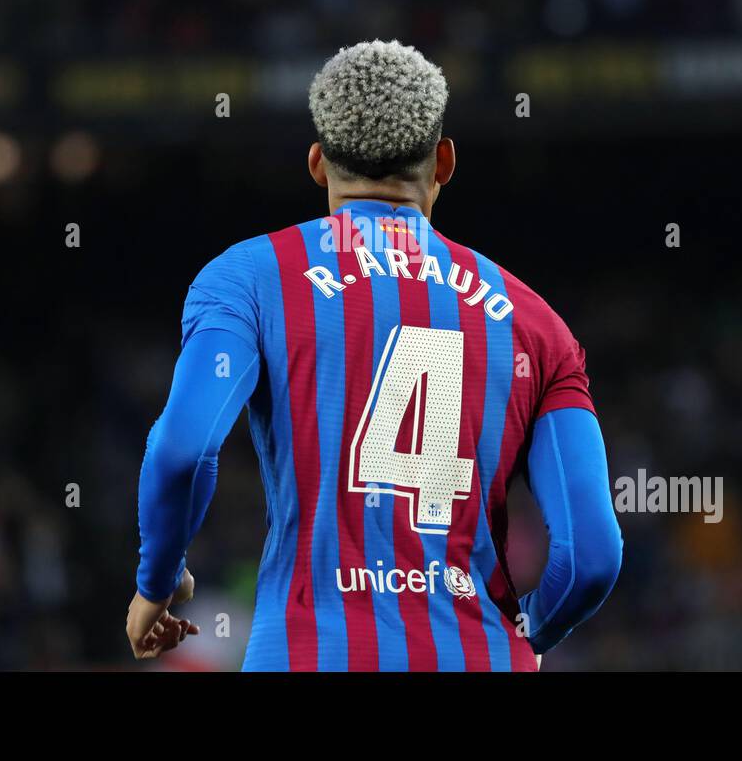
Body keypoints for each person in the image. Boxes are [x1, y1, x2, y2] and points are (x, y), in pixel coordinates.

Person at [127, 40, 622, 671]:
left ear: (316, 163)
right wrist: (525, 634)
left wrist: (157, 580)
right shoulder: (536, 322)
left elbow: (183, 450)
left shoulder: (249, 279)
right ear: (444, 162)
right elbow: (592, 557)